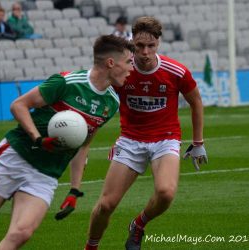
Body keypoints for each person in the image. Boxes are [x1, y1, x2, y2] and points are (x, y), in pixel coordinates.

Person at [0, 34, 134, 250]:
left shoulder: (111, 103)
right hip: (16, 155)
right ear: (111, 63)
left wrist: (74, 190)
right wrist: (38, 139)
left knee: (21, 233)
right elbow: (18, 105)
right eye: (129, 62)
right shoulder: (65, 83)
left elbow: (83, 145)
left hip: (46, 175)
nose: (132, 68)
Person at [84, 16, 208, 250]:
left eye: (151, 45)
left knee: (166, 192)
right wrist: (84, 145)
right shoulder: (122, 71)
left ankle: (138, 225)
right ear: (132, 42)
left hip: (166, 139)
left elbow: (196, 101)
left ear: (158, 43)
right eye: (139, 46)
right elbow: (97, 103)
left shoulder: (176, 71)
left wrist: (198, 141)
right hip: (130, 140)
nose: (145, 52)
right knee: (106, 205)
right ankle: (90, 246)